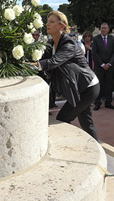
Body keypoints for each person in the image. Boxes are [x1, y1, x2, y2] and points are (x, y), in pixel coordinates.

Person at [33, 11, 99, 140]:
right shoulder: (51, 44)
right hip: (81, 87)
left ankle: (66, 146)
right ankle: (98, 148)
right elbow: (41, 58)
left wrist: (31, 66)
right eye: (47, 21)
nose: (47, 24)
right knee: (86, 121)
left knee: (63, 118)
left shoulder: (68, 44)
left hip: (88, 87)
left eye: (52, 22)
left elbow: (53, 62)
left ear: (62, 26)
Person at [92, 22, 114, 110]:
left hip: (109, 67)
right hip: (99, 67)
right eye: (102, 28)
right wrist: (102, 64)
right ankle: (97, 103)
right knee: (99, 85)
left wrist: (109, 63)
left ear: (108, 29)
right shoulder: (96, 39)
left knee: (109, 84)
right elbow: (94, 53)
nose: (103, 29)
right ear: (100, 29)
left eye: (105, 28)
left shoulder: (112, 38)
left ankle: (108, 102)